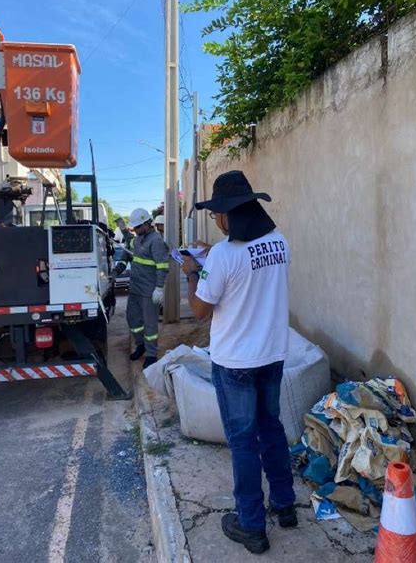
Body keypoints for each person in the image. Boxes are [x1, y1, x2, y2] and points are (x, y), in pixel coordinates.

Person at [182, 170, 296, 555]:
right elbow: (248, 263)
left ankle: (251, 525)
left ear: (230, 213)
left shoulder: (223, 256)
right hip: (273, 355)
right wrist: (211, 253)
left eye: (217, 214)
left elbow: (199, 308)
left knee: (244, 443)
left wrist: (193, 271)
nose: (216, 219)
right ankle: (284, 504)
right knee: (272, 428)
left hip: (235, 365)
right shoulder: (280, 243)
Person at [113, 208, 169, 369]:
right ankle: (141, 345)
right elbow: (128, 246)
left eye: (138, 227)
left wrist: (159, 288)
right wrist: (116, 271)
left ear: (147, 224)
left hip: (149, 291)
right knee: (133, 319)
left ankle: (151, 354)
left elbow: (163, 266)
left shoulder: (156, 241)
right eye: (134, 227)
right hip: (135, 289)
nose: (135, 230)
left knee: (150, 324)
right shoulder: (137, 239)